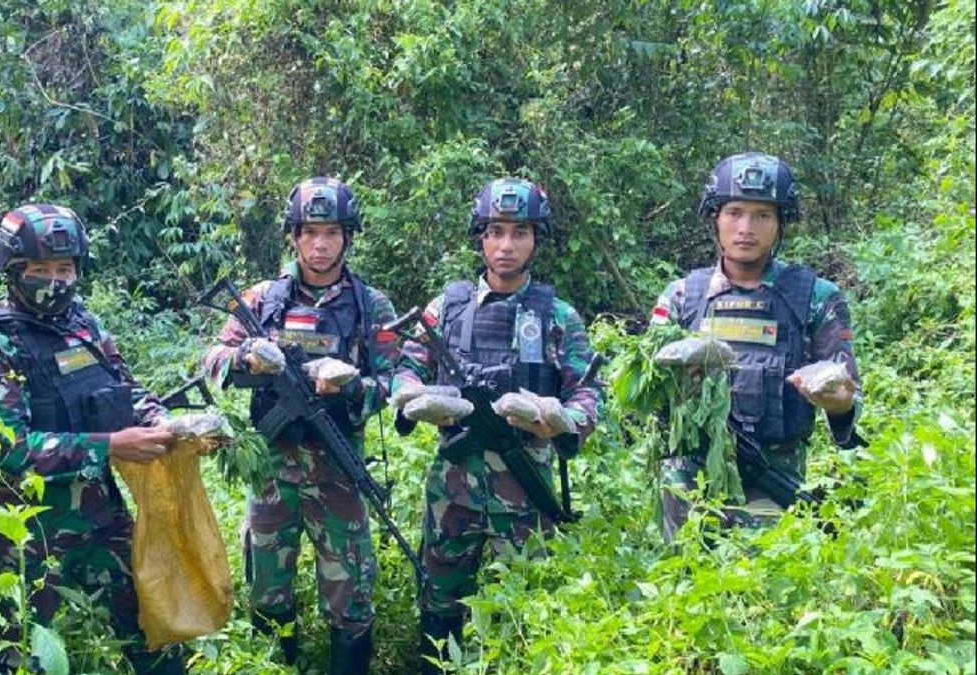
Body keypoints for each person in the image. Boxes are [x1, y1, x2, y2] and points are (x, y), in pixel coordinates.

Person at [0, 204, 188, 674]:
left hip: (100, 519)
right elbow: (8, 451)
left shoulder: (85, 329)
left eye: (64, 269)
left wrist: (165, 422)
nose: (54, 280)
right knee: (18, 655)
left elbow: (126, 390)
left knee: (155, 632)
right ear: (13, 271)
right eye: (40, 269)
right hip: (27, 533)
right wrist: (109, 446)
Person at [391, 177, 601, 674]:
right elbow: (405, 369)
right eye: (496, 231)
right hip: (452, 488)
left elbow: (589, 392)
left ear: (535, 240)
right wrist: (417, 399)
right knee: (439, 607)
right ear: (481, 237)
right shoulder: (445, 309)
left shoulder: (558, 316)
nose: (506, 245)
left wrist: (561, 420)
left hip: (525, 486)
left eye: (520, 233)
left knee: (524, 611)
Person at [201, 177, 398, 674]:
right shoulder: (263, 299)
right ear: (293, 236)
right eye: (309, 232)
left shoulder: (371, 306)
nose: (319, 244)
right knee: (268, 590)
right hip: (271, 470)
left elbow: (398, 381)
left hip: (337, 469)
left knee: (350, 594)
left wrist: (355, 386)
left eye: (331, 232)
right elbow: (212, 360)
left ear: (347, 236)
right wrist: (247, 354)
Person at [649, 152, 863, 541]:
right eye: (734, 212)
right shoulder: (682, 297)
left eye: (762, 215)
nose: (746, 227)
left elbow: (848, 393)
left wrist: (837, 399)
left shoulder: (816, 297)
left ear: (781, 223)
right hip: (688, 486)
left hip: (773, 477)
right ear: (715, 217)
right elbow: (645, 395)